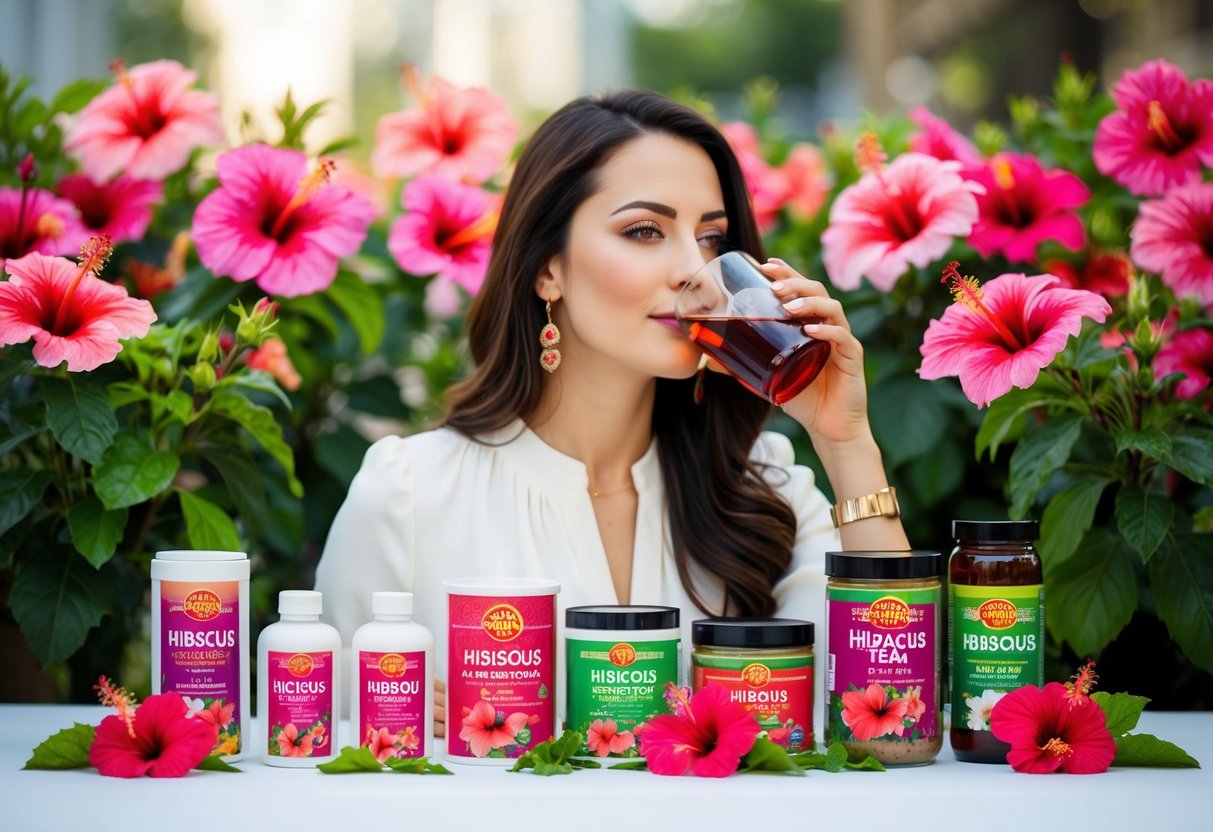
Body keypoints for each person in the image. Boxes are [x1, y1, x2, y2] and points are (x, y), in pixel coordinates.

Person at [314, 89, 910, 737]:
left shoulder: (763, 486)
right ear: (548, 271)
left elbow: (887, 702)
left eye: (712, 239)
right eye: (645, 231)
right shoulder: (407, 495)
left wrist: (845, 441)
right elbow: (336, 741)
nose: (694, 269)